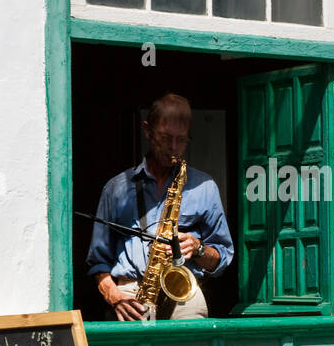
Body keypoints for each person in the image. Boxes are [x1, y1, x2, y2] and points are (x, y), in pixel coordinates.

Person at [86, 93, 233, 320]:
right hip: (129, 295)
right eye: (165, 138)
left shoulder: (205, 187)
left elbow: (222, 258)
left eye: (181, 139)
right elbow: (98, 261)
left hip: (182, 292)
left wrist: (198, 248)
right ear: (147, 131)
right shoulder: (115, 189)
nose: (173, 147)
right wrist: (113, 296)